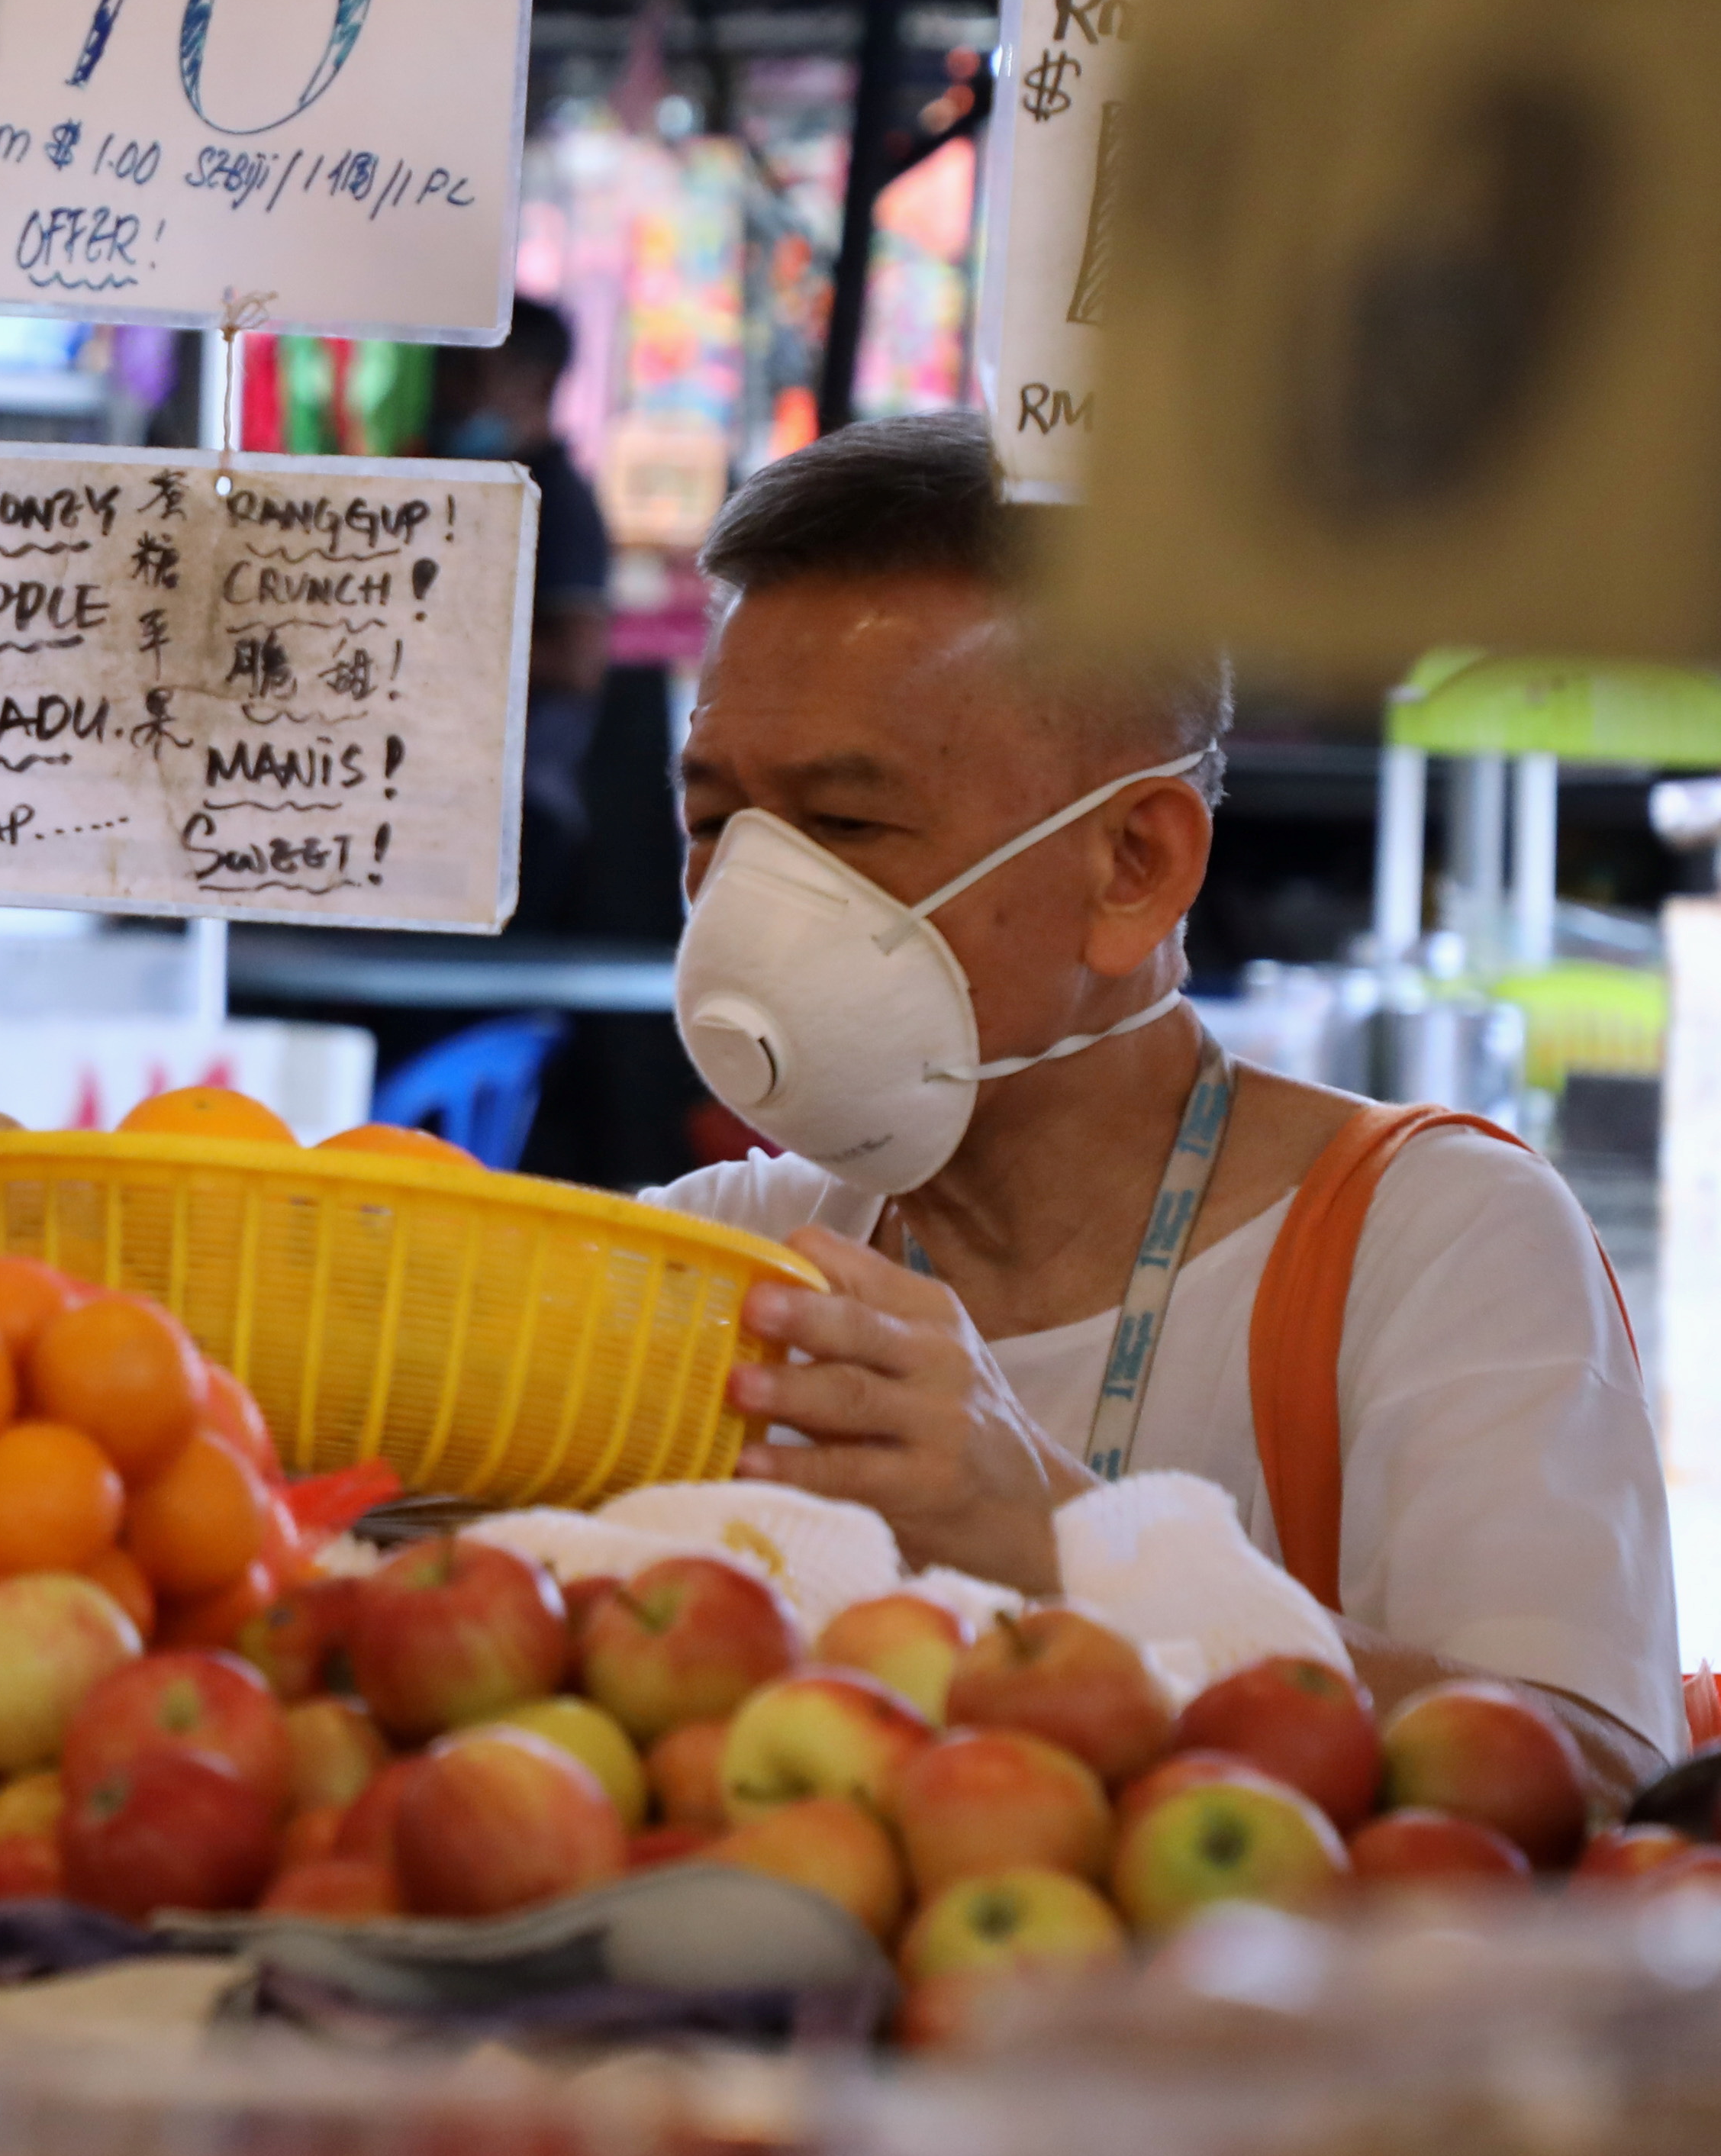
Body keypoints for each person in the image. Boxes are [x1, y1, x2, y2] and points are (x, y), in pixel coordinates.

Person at [645, 413, 1673, 1785]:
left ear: (1135, 865)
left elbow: (1596, 1778)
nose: (745, 903)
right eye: (718, 823)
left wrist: (1060, 1546)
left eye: (843, 827)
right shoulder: (735, 1259)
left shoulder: (1432, 1242)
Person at [429, 297, 615, 918]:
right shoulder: (475, 486)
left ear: (534, 381)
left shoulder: (554, 501)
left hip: (515, 815)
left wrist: (422, 652)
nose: (450, 394)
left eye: (469, 373)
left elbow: (575, 660)